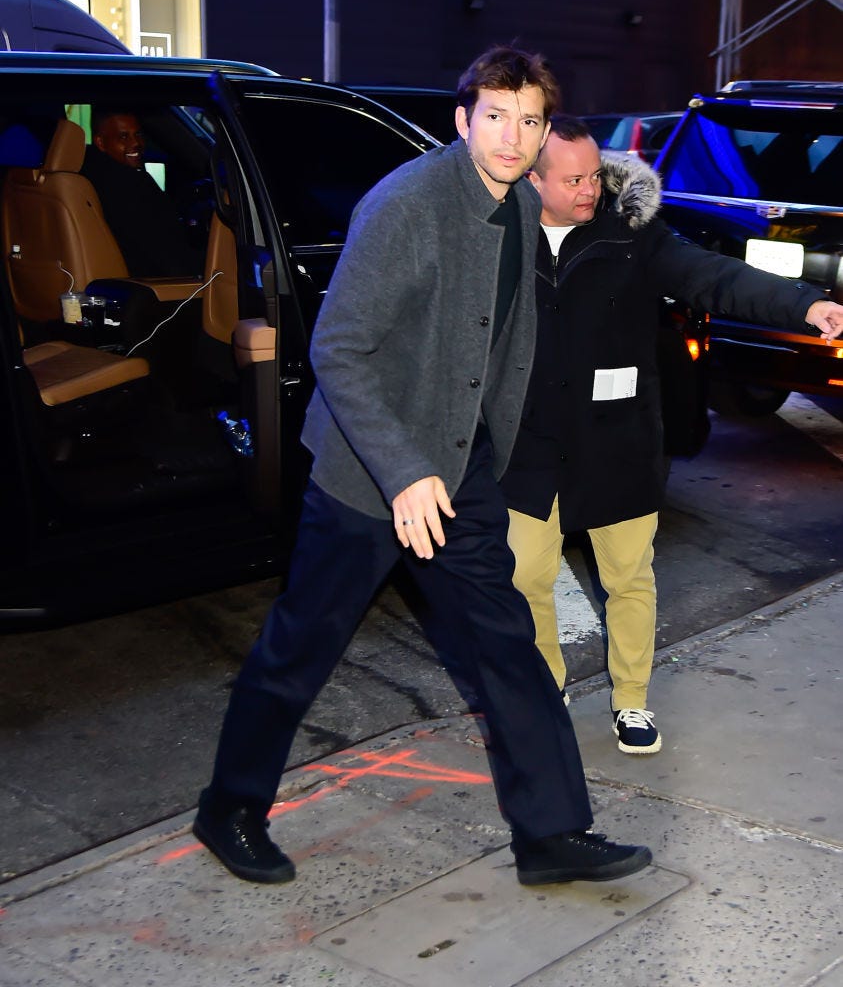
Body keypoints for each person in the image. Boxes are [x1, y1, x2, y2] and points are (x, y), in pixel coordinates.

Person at [192, 47, 652, 889]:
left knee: (508, 643)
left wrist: (495, 451)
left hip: (459, 468)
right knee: (304, 644)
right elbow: (339, 348)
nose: (514, 138)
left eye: (529, 120)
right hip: (373, 474)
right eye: (497, 117)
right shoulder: (406, 205)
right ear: (462, 120)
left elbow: (503, 337)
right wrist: (404, 472)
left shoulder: (515, 200)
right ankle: (229, 806)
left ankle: (550, 832)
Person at [500, 114, 843, 755]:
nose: (589, 190)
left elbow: (714, 275)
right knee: (525, 580)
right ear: (531, 180)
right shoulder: (497, 237)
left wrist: (804, 304)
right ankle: (543, 697)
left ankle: (632, 700)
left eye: (595, 175)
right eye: (572, 179)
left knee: (629, 578)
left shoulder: (633, 236)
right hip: (530, 440)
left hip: (616, 436)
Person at [81, 107, 203, 277]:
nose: (136, 143)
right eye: (123, 137)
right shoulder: (130, 186)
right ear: (100, 143)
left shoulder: (87, 179)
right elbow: (167, 256)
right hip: (151, 291)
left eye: (138, 134)